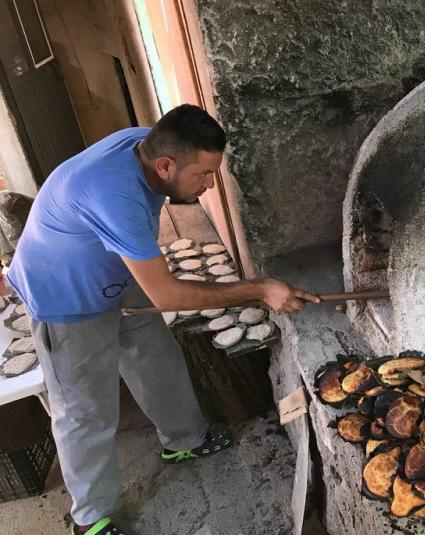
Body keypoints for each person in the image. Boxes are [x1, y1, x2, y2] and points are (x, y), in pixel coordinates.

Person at [6, 104, 319, 535]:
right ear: (166, 164)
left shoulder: (147, 144)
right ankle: (89, 518)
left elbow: (153, 281)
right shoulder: (112, 195)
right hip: (64, 294)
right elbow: (167, 293)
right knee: (85, 410)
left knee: (155, 356)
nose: (209, 186)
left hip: (115, 267)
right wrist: (259, 288)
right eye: (203, 176)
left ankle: (184, 442)